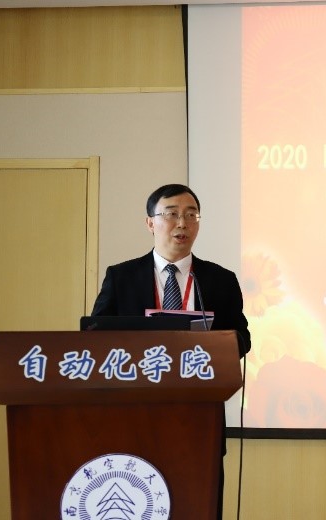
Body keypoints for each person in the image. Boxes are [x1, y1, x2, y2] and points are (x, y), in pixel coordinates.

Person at [91, 183, 250, 518]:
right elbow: (95, 336)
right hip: (135, 411)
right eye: (172, 214)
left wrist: (211, 346)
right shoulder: (121, 277)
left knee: (200, 504)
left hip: (200, 415)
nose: (182, 223)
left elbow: (243, 337)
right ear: (150, 222)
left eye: (191, 215)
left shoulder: (220, 280)